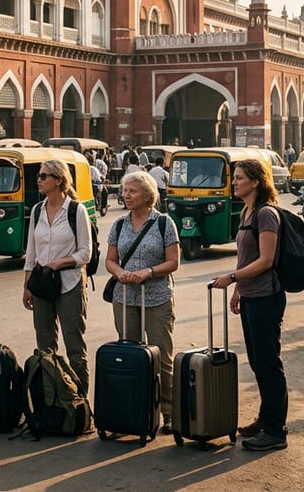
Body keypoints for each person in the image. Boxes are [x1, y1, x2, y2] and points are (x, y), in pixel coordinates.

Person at [210, 159, 287, 451]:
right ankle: (267, 419)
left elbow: (266, 260)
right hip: (252, 294)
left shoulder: (266, 214)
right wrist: (240, 288)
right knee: (258, 362)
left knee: (268, 363)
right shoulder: (247, 211)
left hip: (267, 297)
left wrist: (231, 278)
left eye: (240, 178)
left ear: (256, 182)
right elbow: (247, 258)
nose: (235, 182)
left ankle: (276, 431)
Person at [106, 171, 179, 434]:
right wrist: (119, 273)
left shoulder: (164, 223)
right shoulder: (118, 225)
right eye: (124, 191)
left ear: (147, 195)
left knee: (162, 356)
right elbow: (110, 260)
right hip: (125, 297)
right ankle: (133, 409)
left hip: (157, 297)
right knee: (129, 355)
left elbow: (174, 262)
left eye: (132, 191)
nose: (126, 196)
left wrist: (148, 272)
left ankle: (169, 412)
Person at [22, 159, 94, 393]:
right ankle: (51, 400)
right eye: (39, 176)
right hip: (42, 283)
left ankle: (81, 402)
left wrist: (60, 263)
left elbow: (86, 252)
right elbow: (31, 252)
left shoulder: (76, 210)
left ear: (59, 180)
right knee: (45, 346)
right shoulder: (37, 210)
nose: (39, 180)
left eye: (44, 176)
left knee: (75, 346)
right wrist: (27, 286)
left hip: (70, 282)